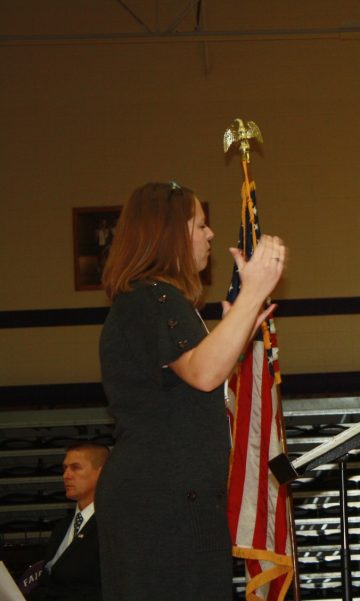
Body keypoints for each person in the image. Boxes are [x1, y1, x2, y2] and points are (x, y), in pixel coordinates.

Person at [96, 181, 286, 601]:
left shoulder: (154, 300)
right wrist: (254, 289)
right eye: (201, 225)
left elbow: (195, 385)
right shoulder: (154, 298)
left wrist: (238, 327)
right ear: (173, 234)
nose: (211, 234)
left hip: (172, 501)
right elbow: (203, 374)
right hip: (161, 506)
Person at [27, 442, 109, 601]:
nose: (66, 475)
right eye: (65, 468)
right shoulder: (62, 526)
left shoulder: (112, 527)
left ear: (102, 473)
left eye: (76, 467)